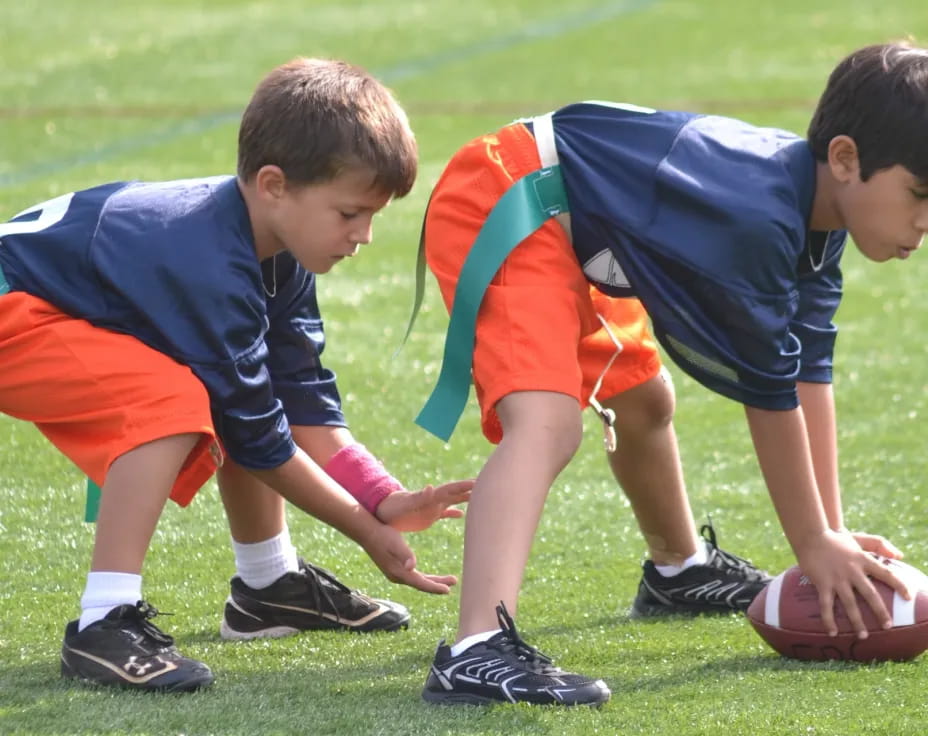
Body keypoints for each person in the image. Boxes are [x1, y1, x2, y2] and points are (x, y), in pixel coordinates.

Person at [414, 41, 928, 706]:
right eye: (918, 192)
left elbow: (809, 375)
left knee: (643, 400)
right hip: (511, 195)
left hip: (579, 223)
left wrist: (829, 529)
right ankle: (475, 648)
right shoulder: (759, 216)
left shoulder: (818, 219)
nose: (923, 221)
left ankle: (678, 568)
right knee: (547, 425)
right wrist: (812, 540)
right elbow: (770, 397)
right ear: (846, 159)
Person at [0, 57, 472, 692]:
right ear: (274, 184)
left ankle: (268, 583)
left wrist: (384, 496)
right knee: (170, 399)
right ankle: (102, 622)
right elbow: (257, 437)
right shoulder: (207, 258)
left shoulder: (279, 255)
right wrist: (366, 531)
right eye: (348, 213)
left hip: (41, 300)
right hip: (14, 304)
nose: (363, 235)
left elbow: (299, 399)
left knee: (237, 391)